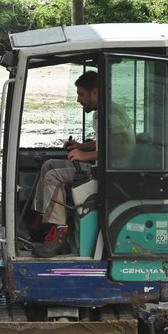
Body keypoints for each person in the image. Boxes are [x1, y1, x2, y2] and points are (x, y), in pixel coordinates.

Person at [29, 70, 133, 257]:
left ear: (95, 92)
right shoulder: (103, 112)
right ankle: (44, 220)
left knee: (54, 176)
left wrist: (85, 156)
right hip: (102, 165)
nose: (78, 100)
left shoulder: (111, 114)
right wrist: (81, 146)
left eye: (81, 94)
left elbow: (119, 148)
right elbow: (105, 142)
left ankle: (59, 237)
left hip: (111, 172)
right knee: (49, 165)